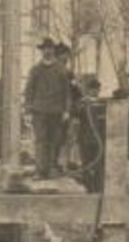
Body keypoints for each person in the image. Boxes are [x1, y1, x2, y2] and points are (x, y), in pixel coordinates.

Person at [24, 38, 72, 178]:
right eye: (45, 48)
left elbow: (67, 92)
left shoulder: (61, 70)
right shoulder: (35, 70)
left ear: (53, 51)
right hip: (39, 112)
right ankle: (40, 170)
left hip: (56, 112)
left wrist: (67, 110)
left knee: (55, 141)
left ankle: (51, 168)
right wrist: (27, 111)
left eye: (50, 48)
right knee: (40, 140)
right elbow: (29, 91)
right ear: (41, 51)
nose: (48, 51)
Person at [73, 76, 107, 193]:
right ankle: (88, 189)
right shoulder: (82, 104)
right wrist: (81, 103)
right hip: (86, 140)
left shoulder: (103, 104)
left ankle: (99, 190)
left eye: (97, 89)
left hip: (100, 141)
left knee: (99, 166)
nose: (95, 92)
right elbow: (75, 113)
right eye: (93, 89)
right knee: (86, 166)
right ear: (88, 90)